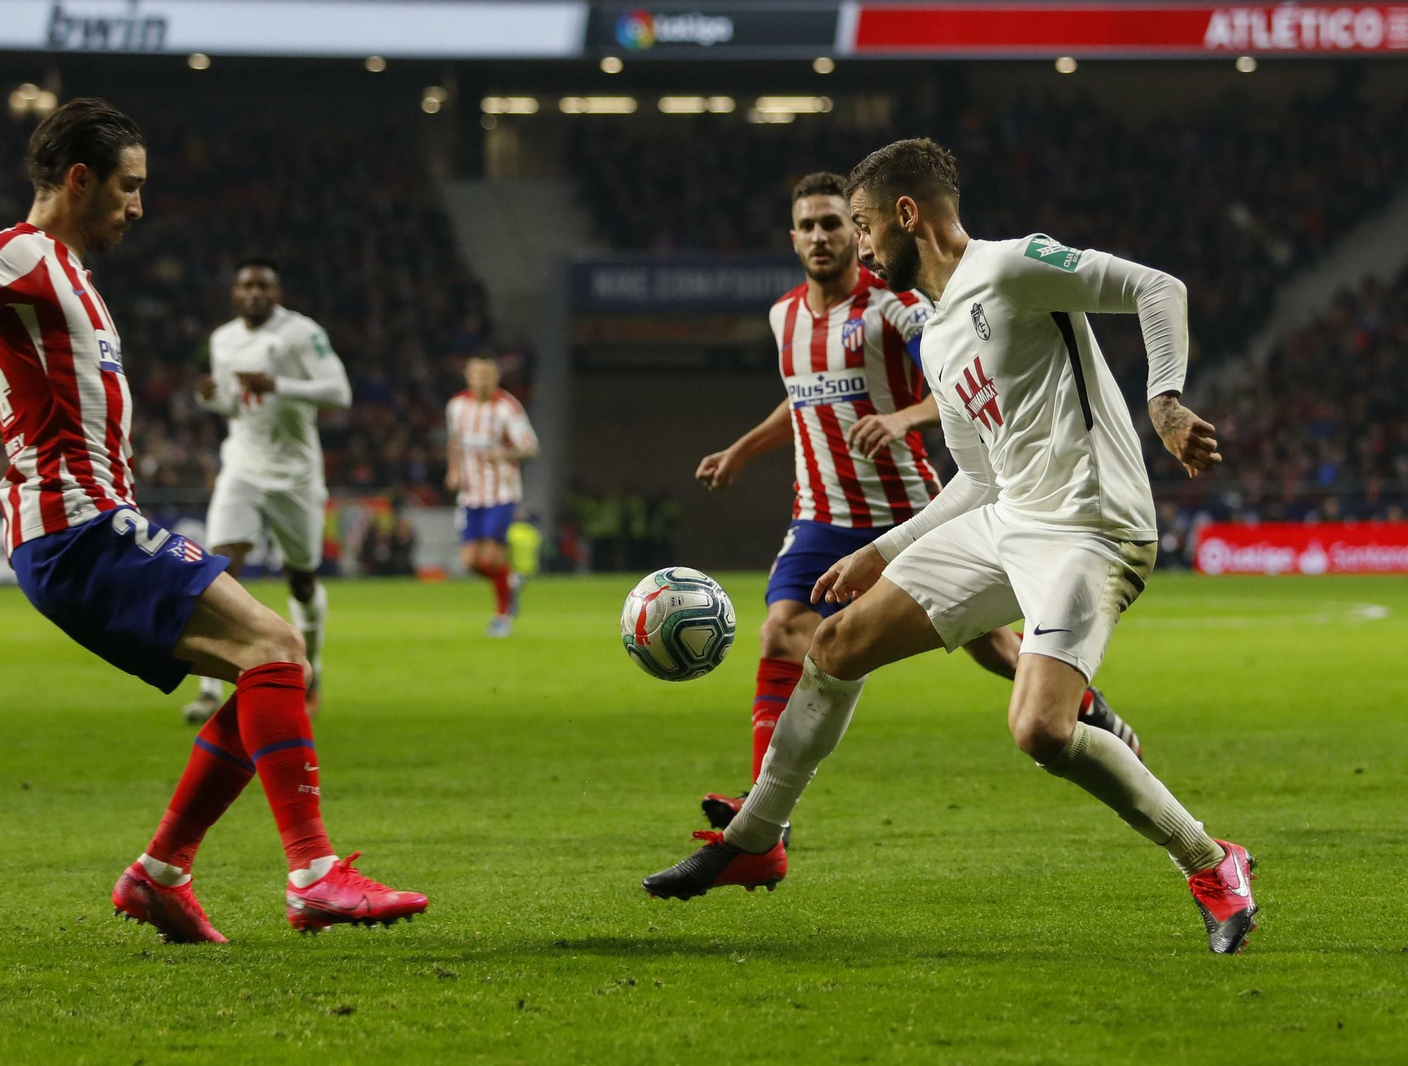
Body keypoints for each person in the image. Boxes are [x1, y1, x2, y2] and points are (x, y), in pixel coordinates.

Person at [645, 139, 1258, 954]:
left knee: (1040, 731)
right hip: (1007, 518)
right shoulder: (936, 336)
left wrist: (1166, 402)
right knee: (835, 642)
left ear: (906, 215)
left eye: (862, 226)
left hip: (1089, 529)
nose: (860, 246)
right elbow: (975, 481)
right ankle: (755, 837)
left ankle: (1213, 862)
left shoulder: (1012, 266)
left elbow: (1156, 287)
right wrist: (882, 551)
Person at [0, 98, 426, 943]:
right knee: (281, 651)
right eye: (128, 188)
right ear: (79, 178)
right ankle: (315, 875)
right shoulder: (19, 255)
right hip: (79, 526)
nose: (139, 207)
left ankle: (159, 876)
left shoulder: (71, 274)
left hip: (90, 526)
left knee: (264, 674)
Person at [694, 172, 1142, 840]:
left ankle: (1081, 702)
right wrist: (742, 449)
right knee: (783, 629)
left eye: (834, 224)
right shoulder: (783, 315)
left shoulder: (897, 308)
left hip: (900, 503)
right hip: (819, 511)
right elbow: (803, 393)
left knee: (991, 646)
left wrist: (905, 418)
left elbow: (957, 380)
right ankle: (763, 809)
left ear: (856, 230)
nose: (821, 236)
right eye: (808, 226)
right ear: (792, 238)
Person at [182, 259, 351, 723]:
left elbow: (339, 392)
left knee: (301, 578)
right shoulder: (223, 339)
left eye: (264, 286)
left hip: (295, 474)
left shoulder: (302, 334)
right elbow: (235, 406)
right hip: (242, 466)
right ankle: (210, 690)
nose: (254, 293)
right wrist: (212, 397)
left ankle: (311, 668)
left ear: (277, 292)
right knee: (219, 571)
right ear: (234, 294)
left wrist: (277, 384)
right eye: (246, 286)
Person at [445, 356, 538, 636]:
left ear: (495, 379)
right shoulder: (457, 406)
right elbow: (454, 441)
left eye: (487, 377)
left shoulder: (506, 407)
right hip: (470, 493)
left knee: (492, 556)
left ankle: (501, 616)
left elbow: (530, 447)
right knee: (470, 561)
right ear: (469, 378)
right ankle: (510, 583)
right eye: (477, 376)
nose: (482, 382)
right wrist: (453, 470)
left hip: (501, 492)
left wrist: (506, 453)